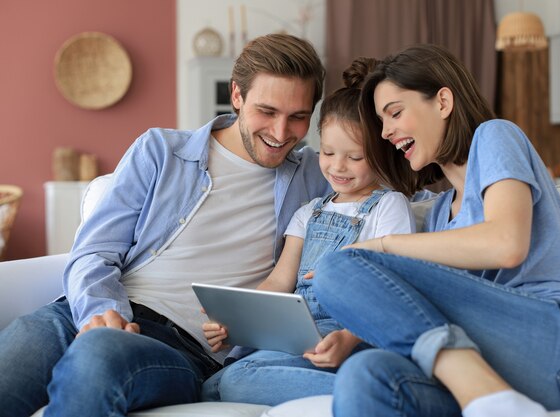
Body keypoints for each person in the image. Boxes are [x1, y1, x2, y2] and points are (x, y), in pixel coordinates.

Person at [0, 33, 330, 417]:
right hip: (100, 311)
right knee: (23, 345)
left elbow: (394, 190)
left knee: (99, 354)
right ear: (237, 95)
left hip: (183, 351)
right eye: (267, 111)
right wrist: (102, 313)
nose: (280, 132)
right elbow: (95, 250)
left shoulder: (318, 174)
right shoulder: (161, 151)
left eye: (299, 117)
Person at [313, 44, 560, 417]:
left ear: (443, 101)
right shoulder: (441, 213)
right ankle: (488, 397)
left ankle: (478, 388)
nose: (387, 132)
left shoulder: (495, 137)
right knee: (366, 375)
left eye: (394, 113)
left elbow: (506, 244)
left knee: (336, 269)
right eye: (381, 122)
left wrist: (384, 247)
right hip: (502, 371)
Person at [202, 57, 428, 406]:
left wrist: (349, 338)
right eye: (328, 152)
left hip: (354, 333)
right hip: (300, 335)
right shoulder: (309, 212)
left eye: (355, 158)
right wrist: (237, 320)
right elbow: (280, 281)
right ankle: (361, 390)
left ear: (383, 152)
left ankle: (381, 395)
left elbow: (393, 291)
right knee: (212, 385)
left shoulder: (389, 206)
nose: (338, 166)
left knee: (235, 382)